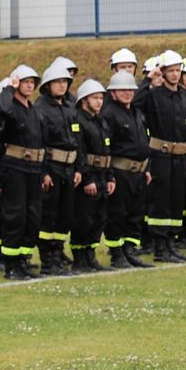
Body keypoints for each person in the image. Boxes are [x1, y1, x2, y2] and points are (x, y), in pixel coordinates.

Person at [0, 64, 47, 280]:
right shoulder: (10, 107)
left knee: (32, 216)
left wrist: (44, 171)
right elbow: (3, 108)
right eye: (25, 81)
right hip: (15, 167)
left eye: (32, 81)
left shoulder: (33, 110)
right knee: (15, 215)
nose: (30, 85)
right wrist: (9, 88)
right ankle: (11, 265)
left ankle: (23, 260)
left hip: (34, 168)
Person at [141, 50, 186, 263]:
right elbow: (135, 104)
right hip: (160, 157)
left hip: (180, 158)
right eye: (170, 71)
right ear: (161, 72)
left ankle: (172, 243)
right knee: (160, 201)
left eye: (177, 71)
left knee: (176, 201)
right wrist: (147, 81)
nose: (174, 74)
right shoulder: (153, 95)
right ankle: (160, 247)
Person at [33, 60, 79, 275]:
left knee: (65, 214)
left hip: (70, 167)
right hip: (52, 167)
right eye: (57, 82)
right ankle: (47, 259)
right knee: (48, 214)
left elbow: (78, 140)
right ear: (47, 85)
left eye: (65, 82)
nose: (62, 86)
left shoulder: (70, 108)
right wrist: (44, 173)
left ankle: (58, 254)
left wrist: (79, 168)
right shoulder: (40, 109)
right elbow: (39, 143)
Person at [100, 70, 150, 268]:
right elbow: (105, 146)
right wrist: (110, 174)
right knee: (117, 213)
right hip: (120, 171)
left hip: (138, 172)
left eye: (130, 90)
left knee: (135, 213)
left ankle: (130, 249)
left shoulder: (137, 113)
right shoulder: (109, 114)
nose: (127, 93)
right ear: (112, 93)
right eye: (122, 90)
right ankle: (117, 253)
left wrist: (147, 168)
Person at [70, 78, 112, 272]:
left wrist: (110, 176)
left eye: (101, 98)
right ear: (84, 100)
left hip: (103, 175)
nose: (99, 102)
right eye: (95, 98)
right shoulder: (78, 120)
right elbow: (80, 151)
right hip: (89, 177)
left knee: (99, 218)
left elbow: (107, 151)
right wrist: (87, 178)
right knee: (83, 219)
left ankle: (91, 255)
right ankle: (79, 257)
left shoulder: (100, 120)